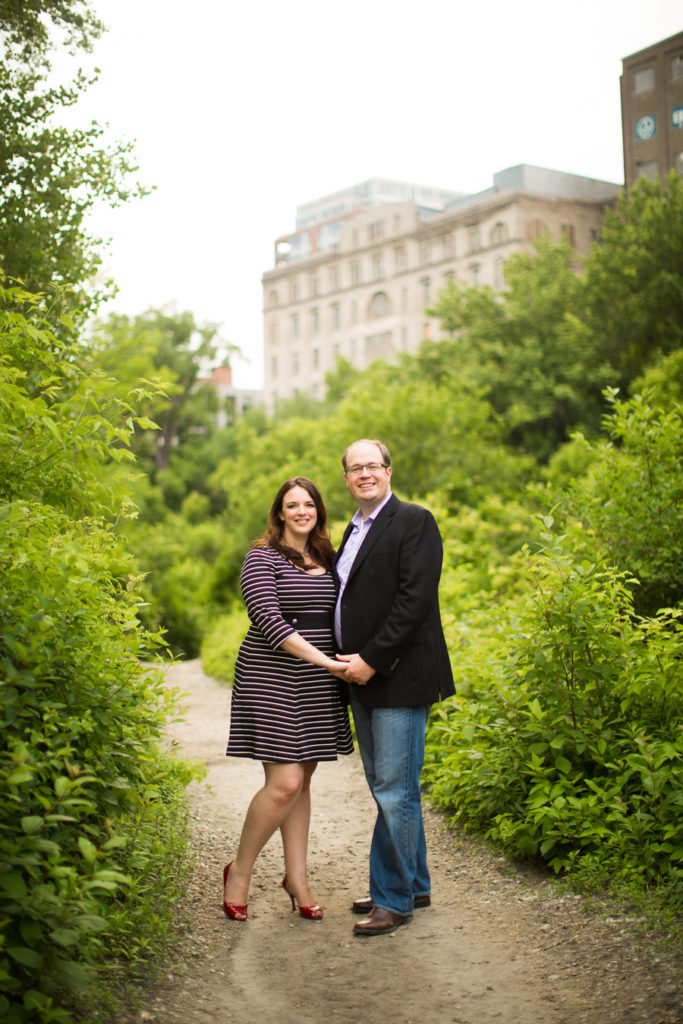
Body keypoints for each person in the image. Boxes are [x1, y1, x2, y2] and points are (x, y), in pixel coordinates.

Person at [334, 439, 455, 936]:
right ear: (346, 479)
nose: (364, 474)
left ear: (388, 471)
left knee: (394, 791)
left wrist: (371, 660)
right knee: (388, 788)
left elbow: (414, 600)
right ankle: (416, 881)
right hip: (359, 678)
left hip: (398, 676)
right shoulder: (354, 528)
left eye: (372, 466)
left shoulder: (414, 521)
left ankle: (393, 898)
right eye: (354, 468)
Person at [224, 476, 353, 922]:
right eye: (292, 505)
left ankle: (296, 878)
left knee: (304, 781)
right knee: (285, 784)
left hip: (318, 682)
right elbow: (269, 622)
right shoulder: (261, 558)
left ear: (318, 511)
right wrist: (329, 663)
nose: (302, 511)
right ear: (279, 512)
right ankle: (239, 872)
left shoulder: (325, 557)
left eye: (309, 504)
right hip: (271, 675)